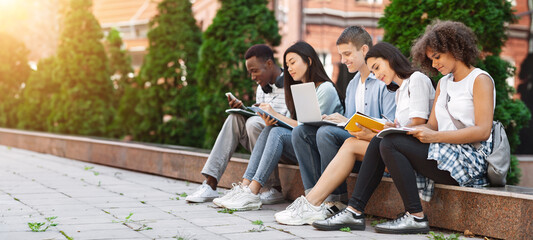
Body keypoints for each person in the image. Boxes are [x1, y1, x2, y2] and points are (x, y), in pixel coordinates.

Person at [312, 20, 495, 234]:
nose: (434, 64)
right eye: (430, 59)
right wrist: (400, 129)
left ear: (456, 48)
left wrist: (432, 136)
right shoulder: (444, 83)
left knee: (389, 142)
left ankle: (414, 216)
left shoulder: (480, 79)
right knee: (385, 139)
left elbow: (483, 131)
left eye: (437, 57)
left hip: (468, 160)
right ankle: (355, 211)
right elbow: (431, 125)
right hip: (443, 152)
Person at [275, 42, 435, 226]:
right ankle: (321, 204)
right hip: (396, 148)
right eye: (373, 71)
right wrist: (376, 128)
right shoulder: (399, 90)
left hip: (415, 151)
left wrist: (376, 133)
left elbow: (418, 125)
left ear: (390, 59)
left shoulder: (416, 79)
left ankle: (316, 204)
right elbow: (400, 127)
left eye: (376, 68)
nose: (376, 74)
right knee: (350, 144)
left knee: (355, 142)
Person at [214, 41, 344, 211]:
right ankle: (246, 187)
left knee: (277, 133)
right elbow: (301, 127)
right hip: (304, 145)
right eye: (287, 64)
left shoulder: (325, 88)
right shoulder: (300, 88)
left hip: (322, 149)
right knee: (270, 129)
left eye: (293, 62)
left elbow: (307, 127)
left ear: (309, 61)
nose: (289, 68)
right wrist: (271, 118)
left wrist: (275, 114)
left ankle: (252, 191)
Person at [291, 26, 396, 210]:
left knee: (326, 133)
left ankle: (335, 200)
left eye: (347, 54)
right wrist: (339, 120)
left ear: (364, 50)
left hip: (373, 146)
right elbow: (351, 124)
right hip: (353, 142)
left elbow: (391, 126)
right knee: (301, 132)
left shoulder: (383, 80)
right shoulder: (352, 85)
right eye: (341, 55)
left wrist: (347, 124)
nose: (343, 60)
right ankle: (312, 198)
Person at [186, 44, 288, 204]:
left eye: (255, 71)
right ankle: (210, 183)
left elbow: (292, 124)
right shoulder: (262, 88)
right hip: (262, 143)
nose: (252, 77)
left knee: (254, 124)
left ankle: (272, 188)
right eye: (250, 73)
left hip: (284, 145)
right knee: (235, 117)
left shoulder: (292, 84)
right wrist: (244, 109)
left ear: (269, 64)